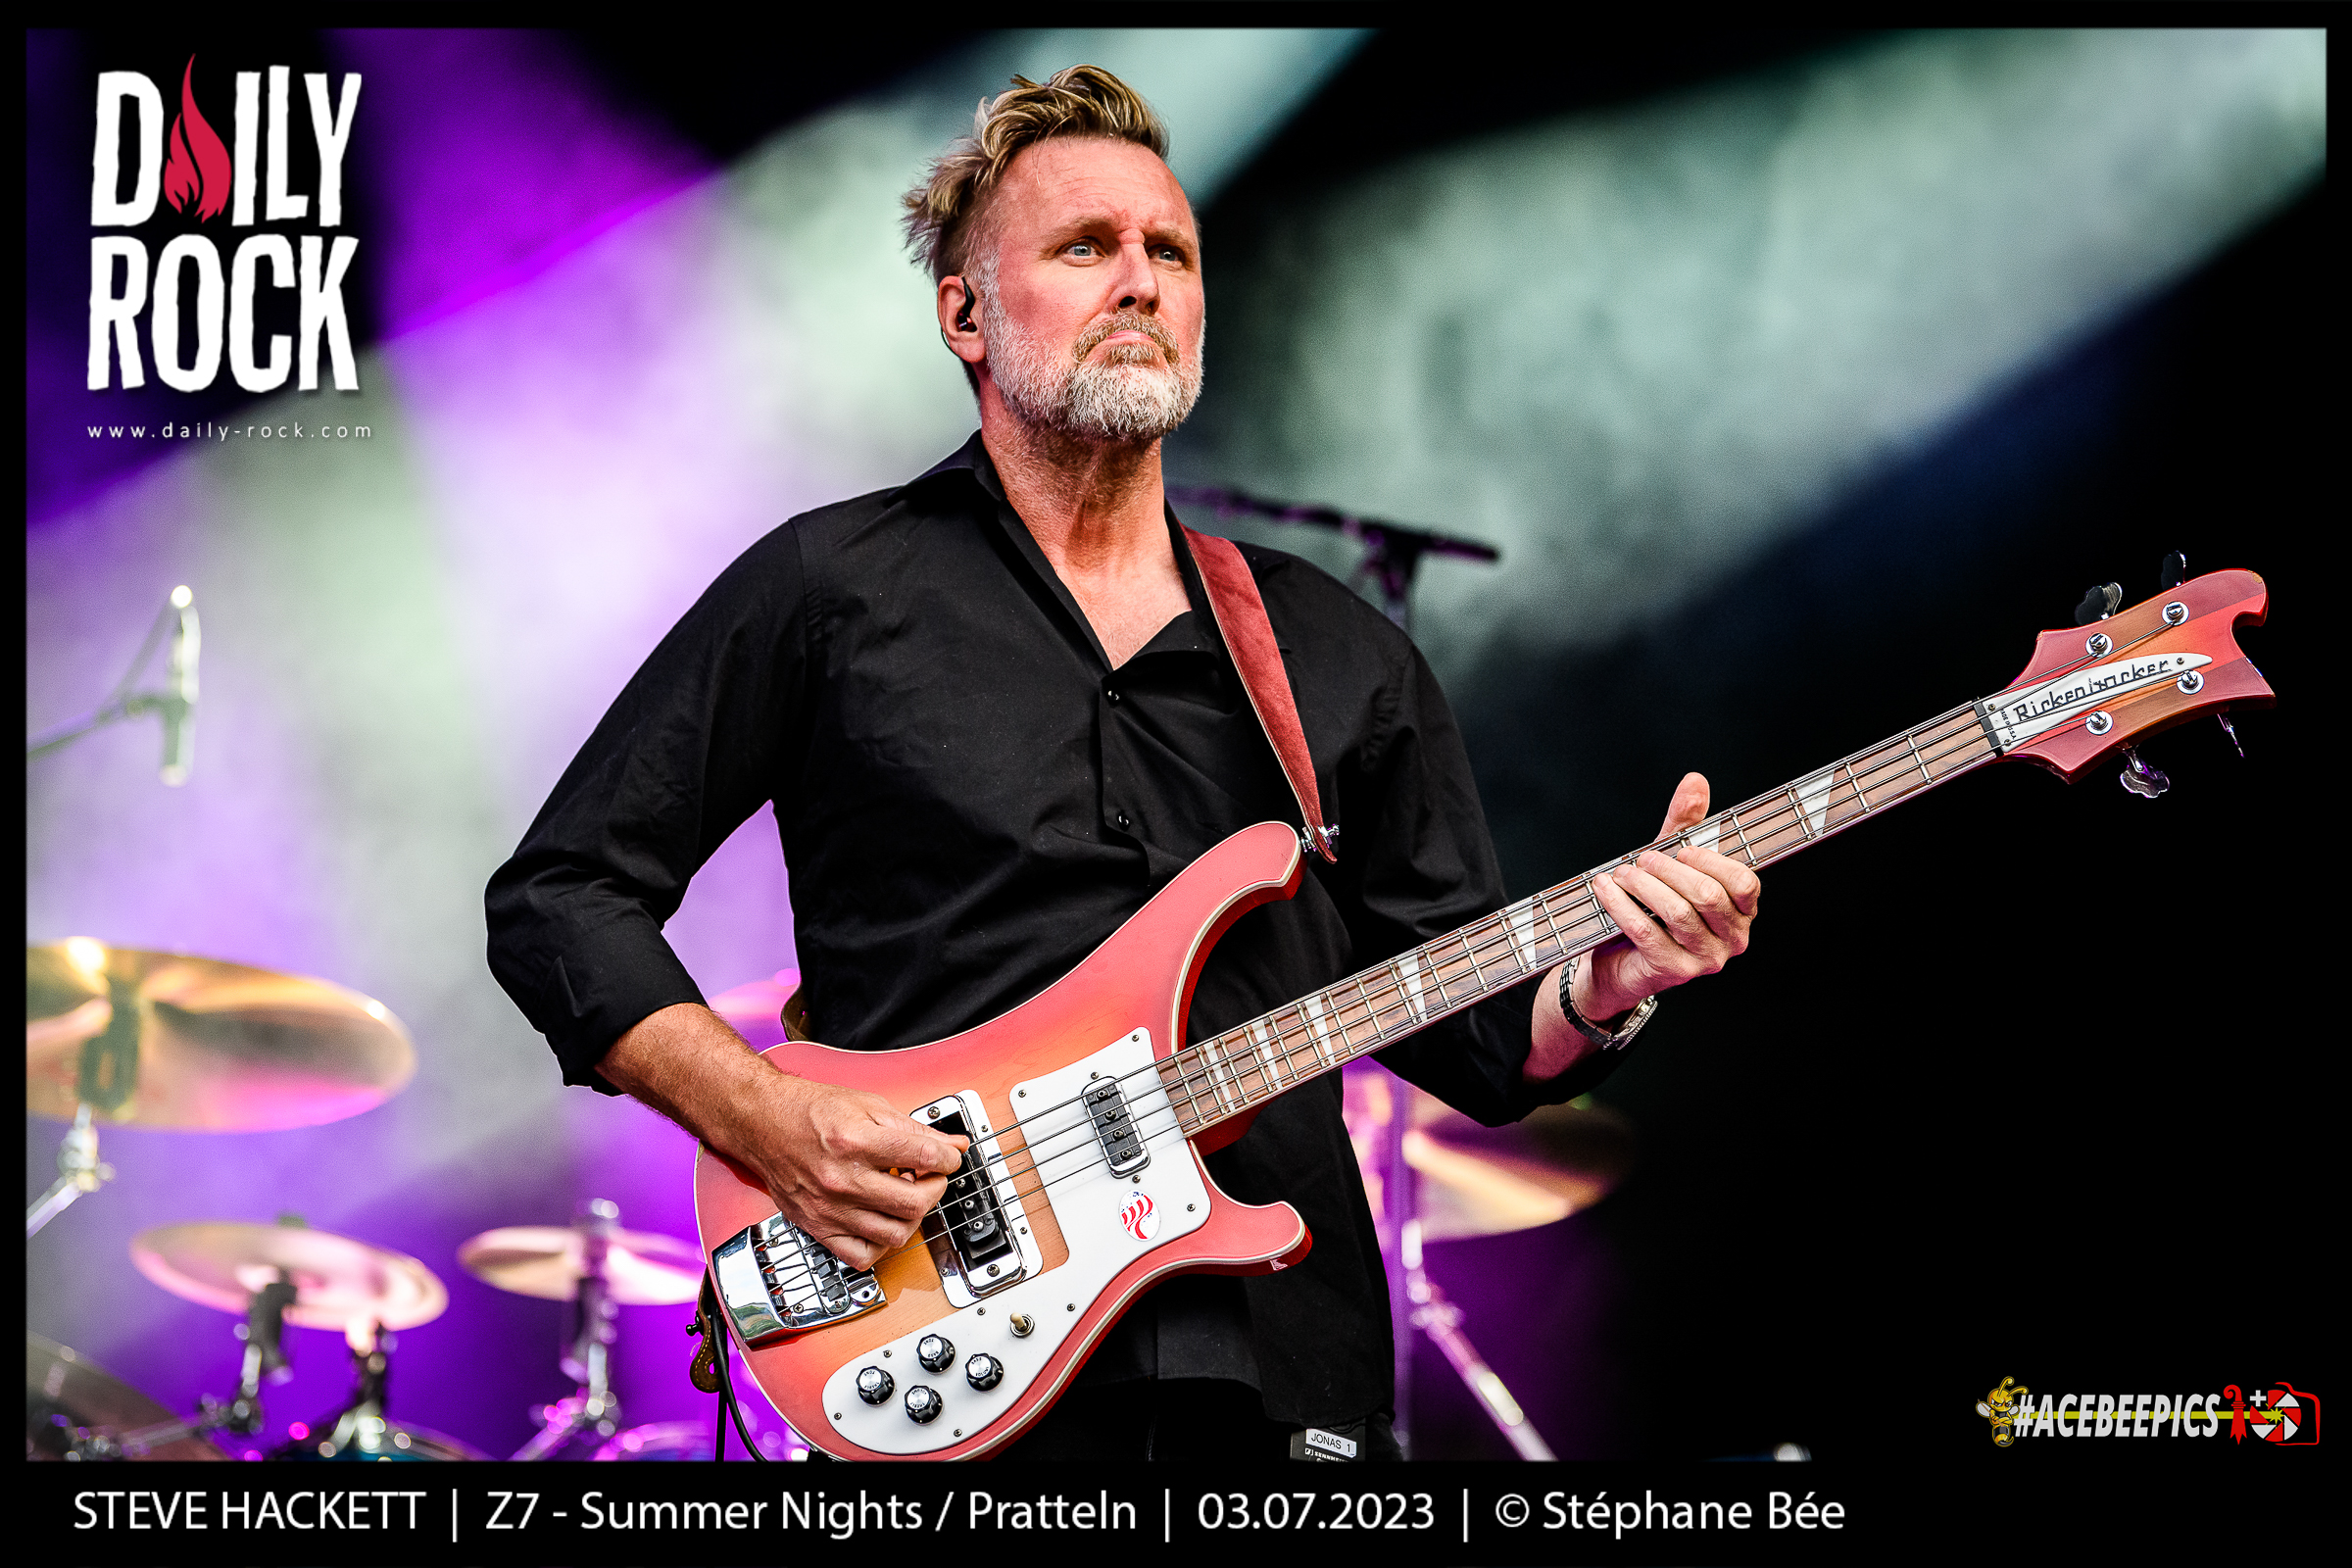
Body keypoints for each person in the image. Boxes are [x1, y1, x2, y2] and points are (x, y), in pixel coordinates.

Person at [484, 65, 1760, 1461]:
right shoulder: (828, 591)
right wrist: (765, 1119)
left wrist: (1606, 982)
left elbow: (1480, 1038)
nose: (1142, 281)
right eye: (1086, 246)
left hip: (1280, 1381)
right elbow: (560, 898)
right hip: (941, 1358)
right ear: (965, 314)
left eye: (1172, 252)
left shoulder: (1336, 653)